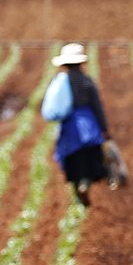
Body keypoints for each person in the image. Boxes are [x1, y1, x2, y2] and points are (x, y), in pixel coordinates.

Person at [41, 43, 111, 206]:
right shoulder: (87, 81)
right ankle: (85, 183)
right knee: (89, 158)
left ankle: (78, 190)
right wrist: (104, 129)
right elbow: (97, 106)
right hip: (88, 124)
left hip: (69, 126)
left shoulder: (61, 81)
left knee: (72, 159)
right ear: (81, 63)